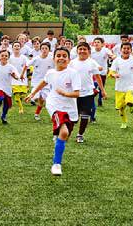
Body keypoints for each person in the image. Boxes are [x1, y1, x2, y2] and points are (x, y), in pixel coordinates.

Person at [25, 47, 81, 176]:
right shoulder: (50, 73)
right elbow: (43, 83)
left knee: (65, 137)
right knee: (64, 132)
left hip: (70, 109)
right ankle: (56, 164)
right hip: (54, 105)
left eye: (64, 56)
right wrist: (32, 93)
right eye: (58, 55)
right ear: (54, 58)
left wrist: (65, 93)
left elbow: (77, 94)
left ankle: (58, 138)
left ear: (69, 59)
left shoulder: (73, 73)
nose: (61, 58)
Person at [69, 42, 105, 143]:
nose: (82, 51)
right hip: (74, 94)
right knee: (73, 117)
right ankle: (67, 132)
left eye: (84, 49)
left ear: (89, 51)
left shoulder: (92, 62)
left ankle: (80, 135)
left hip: (88, 93)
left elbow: (98, 77)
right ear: (77, 51)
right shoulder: (72, 63)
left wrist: (103, 91)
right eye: (80, 49)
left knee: (85, 116)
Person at [109, 42, 133, 129]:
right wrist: (114, 75)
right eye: (124, 48)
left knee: (129, 101)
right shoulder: (117, 60)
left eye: (128, 49)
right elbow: (111, 72)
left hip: (130, 86)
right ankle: (124, 122)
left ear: (131, 50)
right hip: (119, 87)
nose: (126, 50)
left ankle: (132, 104)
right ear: (121, 50)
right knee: (121, 108)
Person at [28, 43, 55, 120]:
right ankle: (36, 98)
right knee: (36, 98)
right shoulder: (36, 58)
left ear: (49, 50)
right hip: (36, 82)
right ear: (40, 49)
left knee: (44, 100)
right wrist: (23, 74)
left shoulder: (52, 59)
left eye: (46, 48)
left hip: (47, 83)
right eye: (42, 48)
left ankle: (37, 114)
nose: (44, 50)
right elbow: (27, 65)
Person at [91, 37, 114, 107]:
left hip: (103, 72)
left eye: (98, 42)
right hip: (93, 72)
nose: (96, 43)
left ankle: (100, 99)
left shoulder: (105, 50)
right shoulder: (91, 51)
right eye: (95, 42)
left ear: (102, 44)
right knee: (94, 85)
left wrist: (113, 57)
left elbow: (111, 55)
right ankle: (92, 97)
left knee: (102, 87)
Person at [9, 41, 29, 114]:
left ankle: (23, 97)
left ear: (20, 48)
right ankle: (21, 108)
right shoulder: (10, 58)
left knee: (23, 94)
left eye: (18, 46)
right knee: (16, 94)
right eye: (15, 46)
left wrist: (23, 74)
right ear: (12, 48)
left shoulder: (23, 57)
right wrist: (13, 75)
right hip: (14, 79)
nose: (16, 47)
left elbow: (27, 65)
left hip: (23, 78)